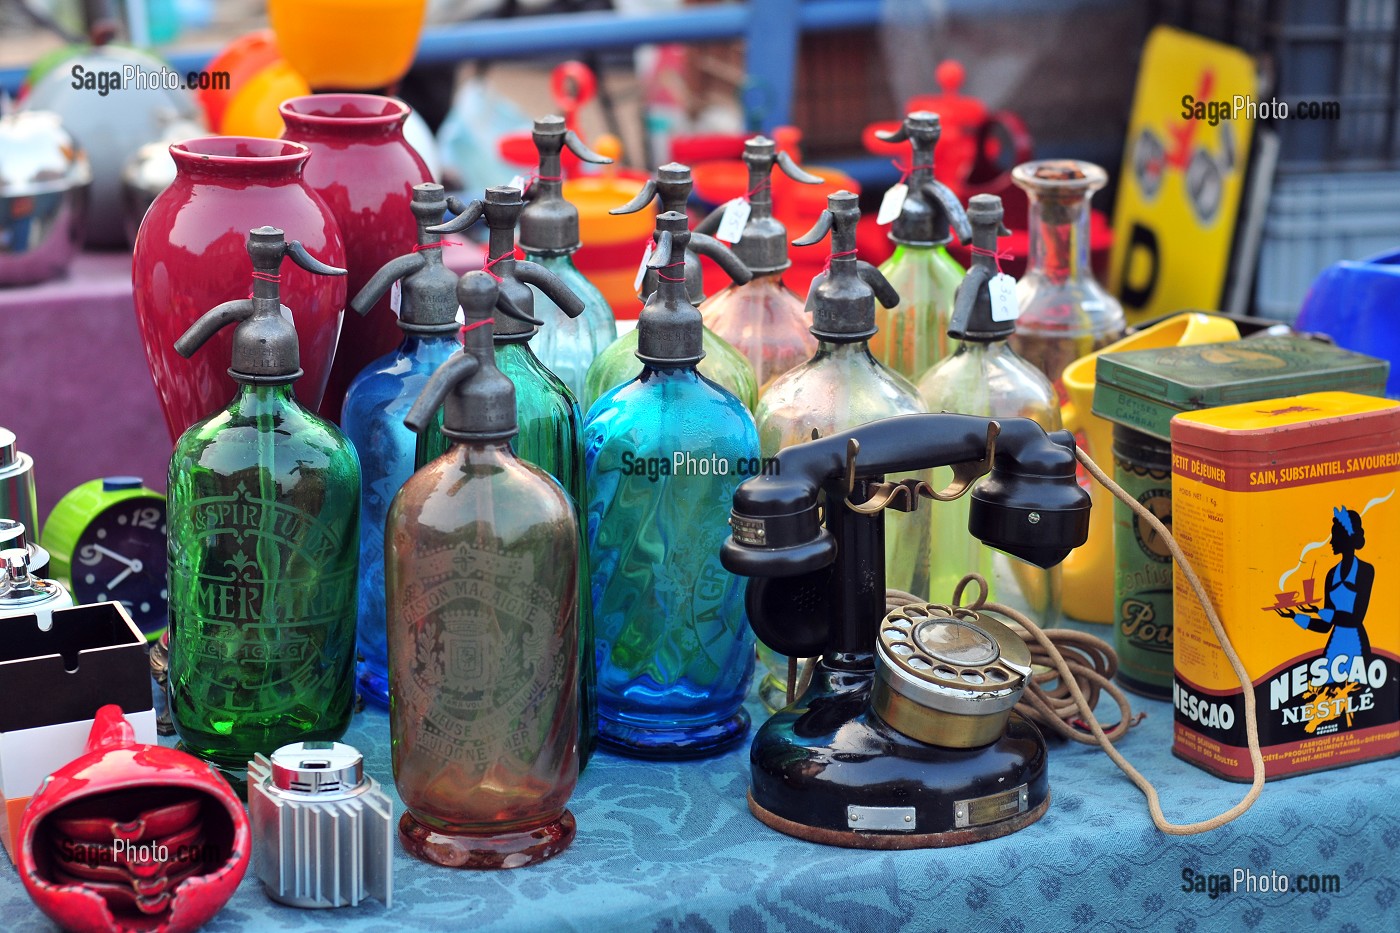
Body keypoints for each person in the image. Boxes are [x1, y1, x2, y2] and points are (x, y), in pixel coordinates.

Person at [1275, 507, 1373, 682]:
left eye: (1335, 536)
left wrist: (1320, 612)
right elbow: (1325, 627)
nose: (1331, 542)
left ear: (1346, 537)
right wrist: (1295, 617)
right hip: (1335, 645)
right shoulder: (1331, 574)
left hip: (1356, 644)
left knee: (1356, 693)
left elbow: (1356, 618)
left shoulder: (1366, 570)